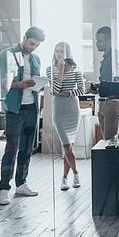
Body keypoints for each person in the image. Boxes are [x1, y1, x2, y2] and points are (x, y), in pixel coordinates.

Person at [0, 26, 45, 205]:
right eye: (32, 43)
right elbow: (3, 83)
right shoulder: (7, 55)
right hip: (14, 110)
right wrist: (20, 85)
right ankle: (4, 189)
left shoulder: (36, 59)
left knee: (26, 149)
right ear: (24, 37)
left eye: (36, 45)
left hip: (31, 108)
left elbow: (36, 83)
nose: (33, 47)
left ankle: (21, 183)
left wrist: (37, 84)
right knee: (11, 149)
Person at [47, 42, 85, 191]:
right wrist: (61, 70)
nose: (59, 54)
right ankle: (76, 173)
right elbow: (55, 90)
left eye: (62, 51)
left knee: (68, 147)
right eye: (57, 51)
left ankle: (64, 178)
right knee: (66, 145)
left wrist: (68, 93)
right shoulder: (50, 69)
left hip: (73, 110)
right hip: (59, 110)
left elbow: (81, 90)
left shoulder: (76, 70)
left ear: (68, 53)